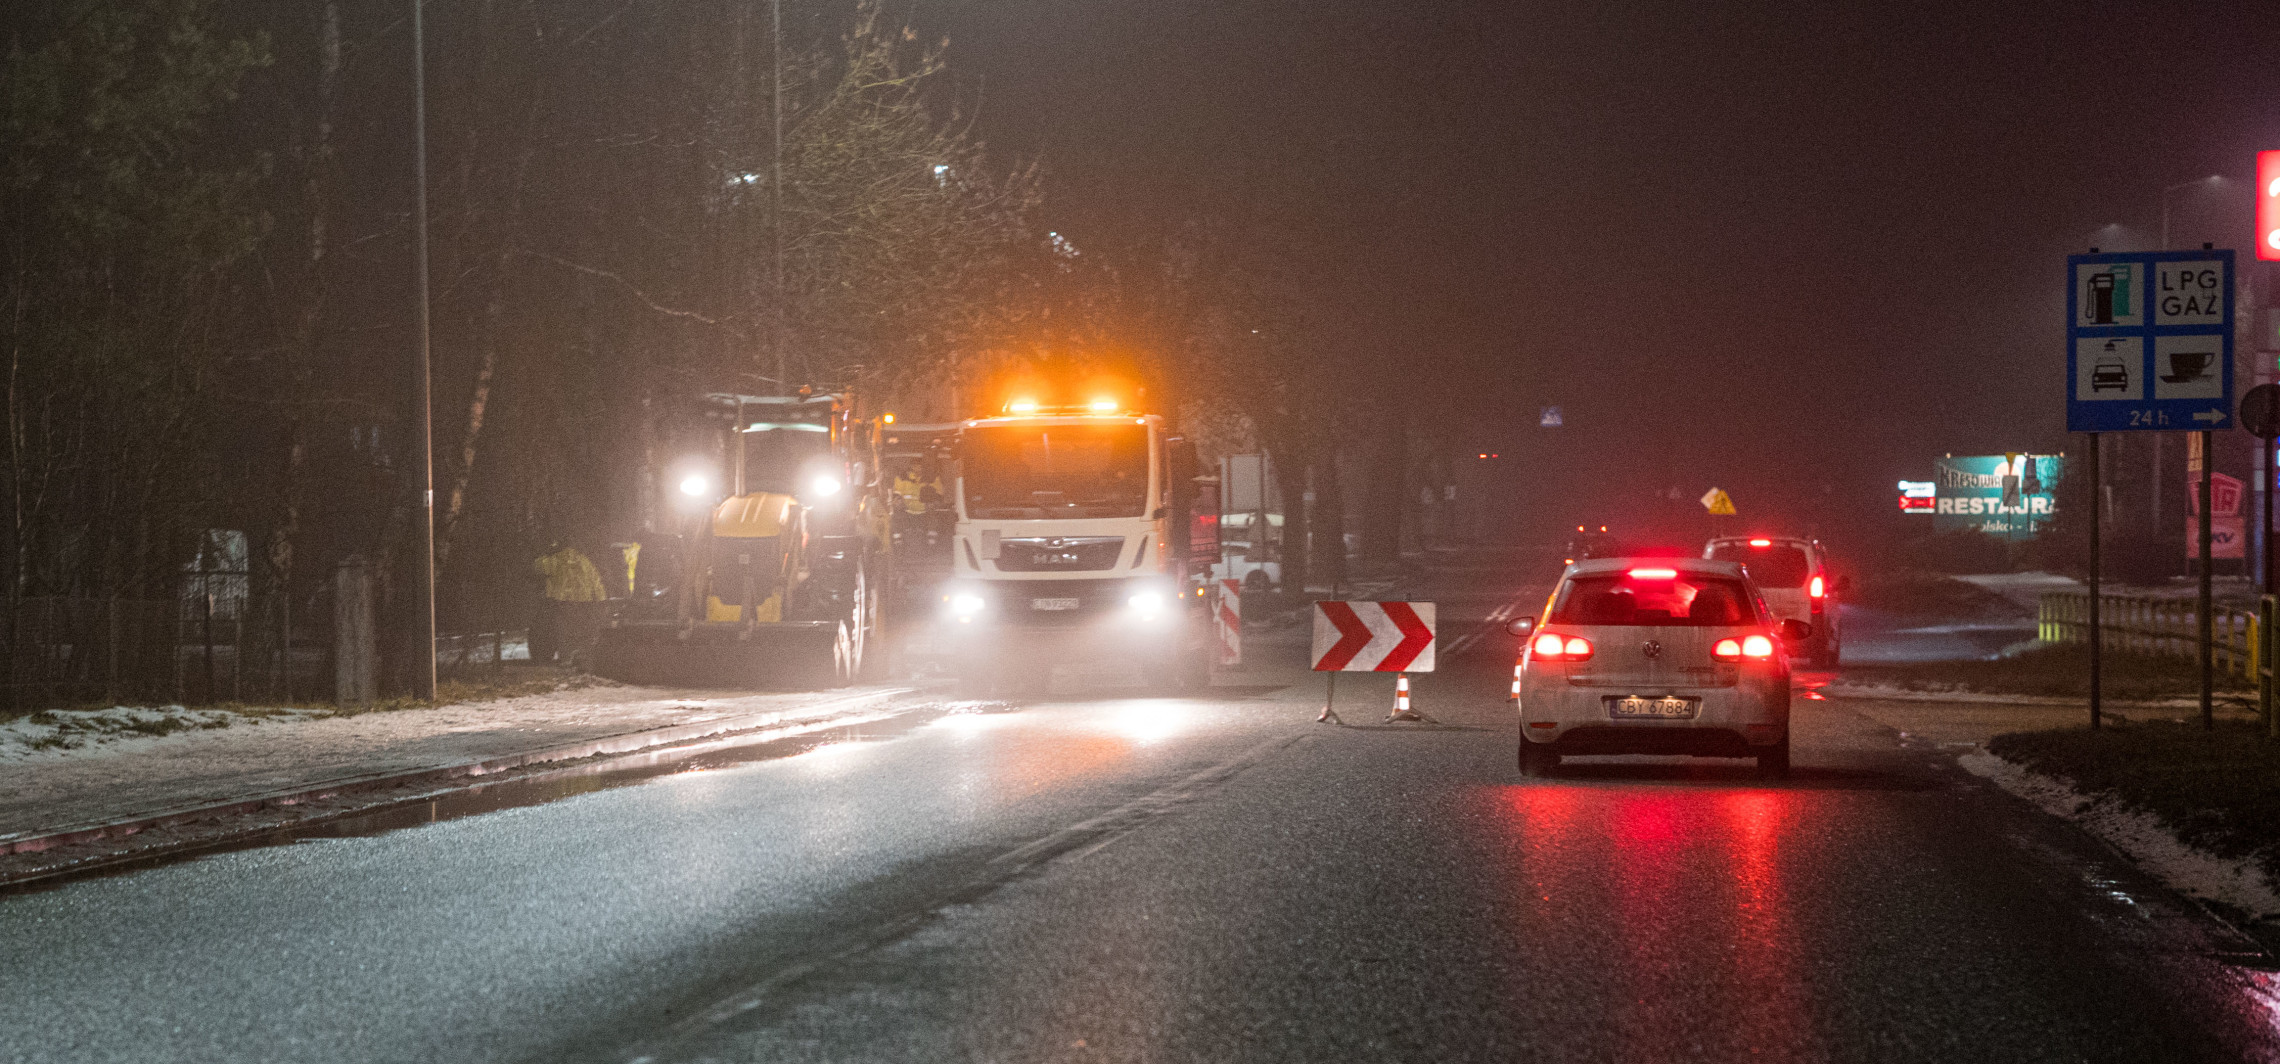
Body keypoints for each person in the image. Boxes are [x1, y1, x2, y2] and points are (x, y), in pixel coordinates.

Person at [531, 541, 607, 666]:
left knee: (564, 631)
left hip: (563, 601)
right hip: (584, 602)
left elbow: (536, 567)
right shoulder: (584, 561)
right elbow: (596, 581)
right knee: (581, 631)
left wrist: (545, 554)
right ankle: (581, 659)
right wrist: (601, 600)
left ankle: (566, 659)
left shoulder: (555, 560)